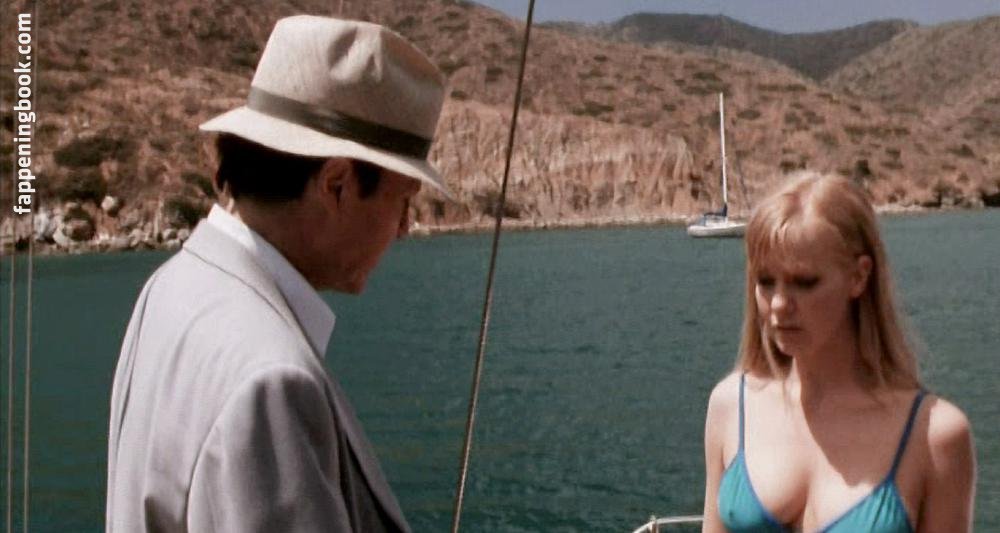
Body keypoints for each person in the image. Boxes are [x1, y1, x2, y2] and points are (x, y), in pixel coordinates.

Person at [106, 16, 451, 532]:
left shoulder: (172, 286)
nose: (404, 229)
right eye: (403, 201)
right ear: (336, 184)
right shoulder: (272, 383)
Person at [701, 173, 977, 532]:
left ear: (859, 277)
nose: (779, 304)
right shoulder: (730, 406)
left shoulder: (934, 435)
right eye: (766, 281)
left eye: (804, 282)